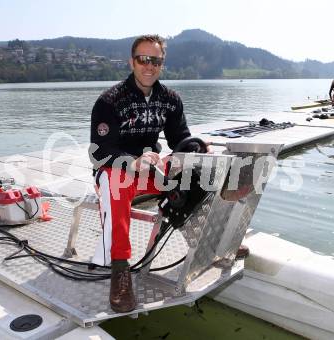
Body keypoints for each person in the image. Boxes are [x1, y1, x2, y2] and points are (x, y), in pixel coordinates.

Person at [88, 34, 247, 313]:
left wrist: (198, 151)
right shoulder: (109, 101)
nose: (149, 66)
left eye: (156, 61)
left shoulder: (170, 99)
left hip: (152, 167)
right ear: (132, 62)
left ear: (163, 64)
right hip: (114, 169)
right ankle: (120, 270)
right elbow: (100, 151)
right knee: (117, 185)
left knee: (198, 173)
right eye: (143, 59)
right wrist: (134, 161)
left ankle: (212, 244)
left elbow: (180, 139)